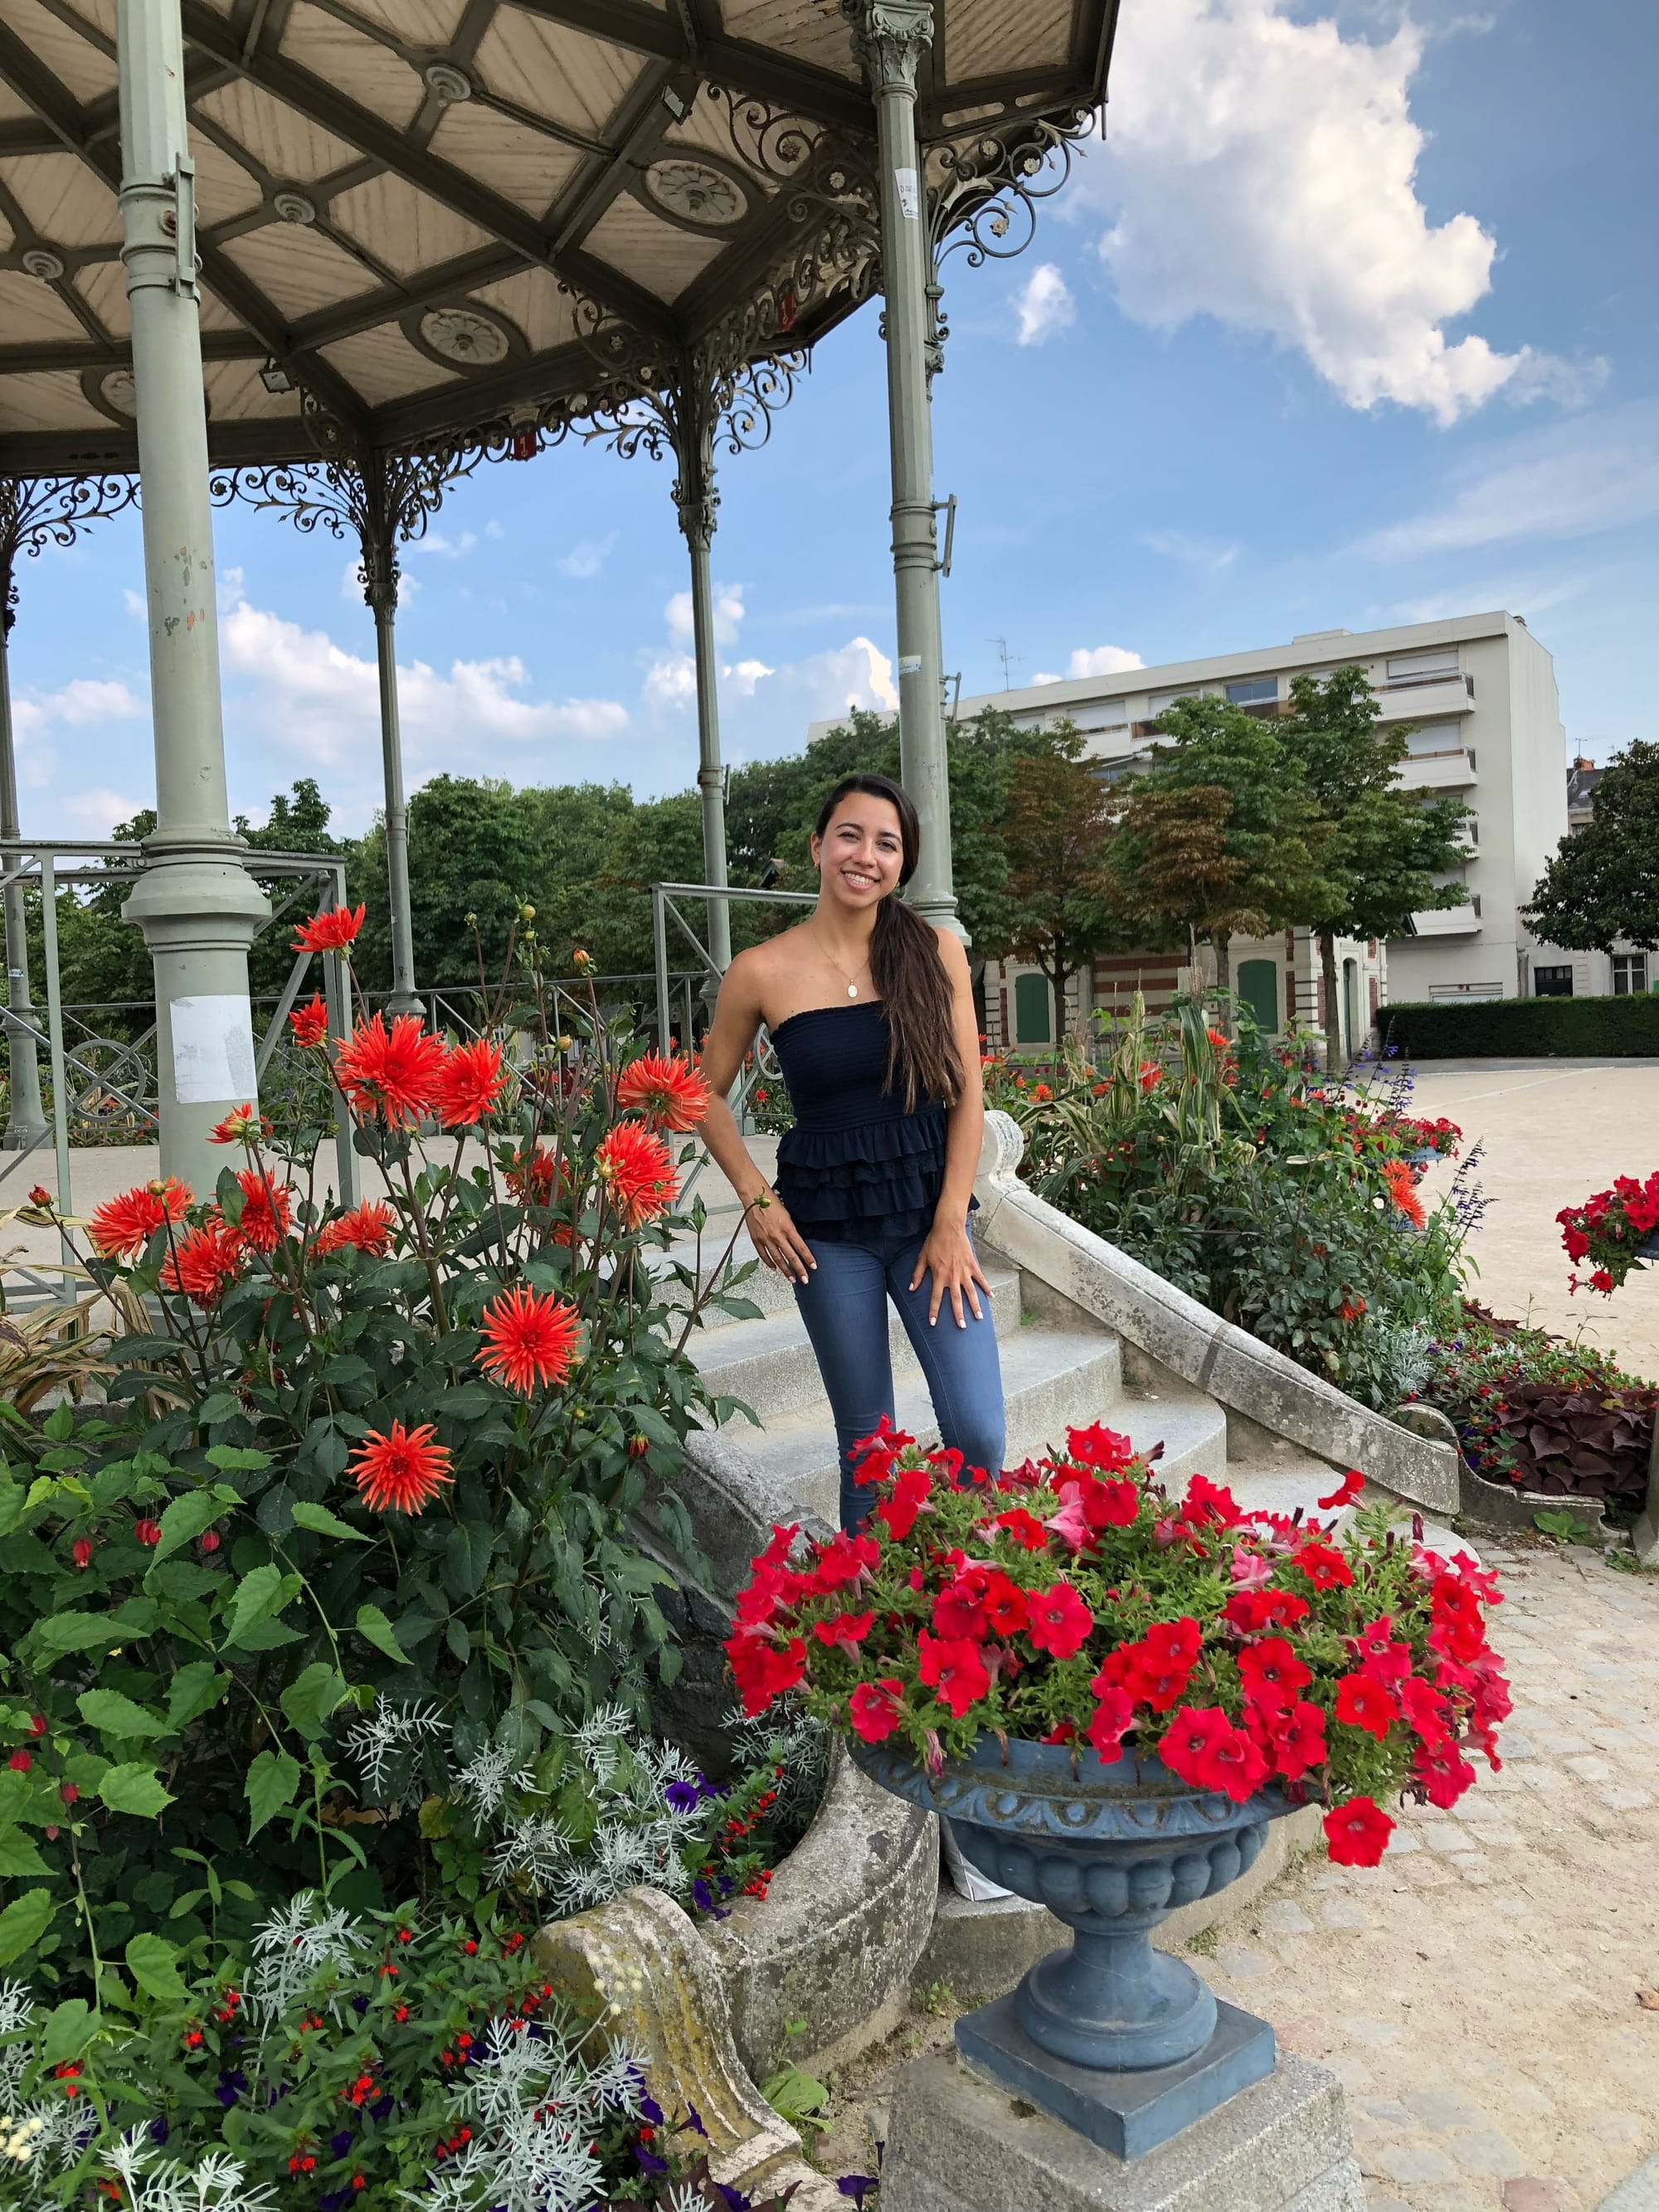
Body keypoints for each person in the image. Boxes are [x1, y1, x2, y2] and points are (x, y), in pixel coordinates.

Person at [698, 772, 1007, 1533]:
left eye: (886, 843)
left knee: (979, 1432)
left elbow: (968, 1093)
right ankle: (866, 1599)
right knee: (868, 1449)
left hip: (929, 1215)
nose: (865, 855)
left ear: (902, 864)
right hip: (827, 1230)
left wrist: (951, 1221)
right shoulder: (760, 970)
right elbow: (701, 1094)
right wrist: (756, 1199)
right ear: (817, 847)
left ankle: (960, 1577)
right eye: (850, 835)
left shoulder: (935, 950)